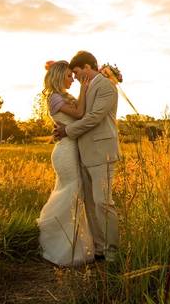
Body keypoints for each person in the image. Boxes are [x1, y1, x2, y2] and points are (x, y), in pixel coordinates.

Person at [53, 51, 120, 262]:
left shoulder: (106, 86)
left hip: (103, 153)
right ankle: (100, 249)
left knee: (103, 203)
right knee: (91, 204)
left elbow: (93, 118)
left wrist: (67, 131)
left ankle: (112, 252)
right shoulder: (88, 87)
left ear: (87, 68)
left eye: (77, 72)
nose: (75, 77)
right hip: (83, 153)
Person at [36, 60, 94, 266]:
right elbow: (79, 114)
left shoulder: (61, 96)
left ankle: (74, 244)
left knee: (73, 193)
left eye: (73, 76)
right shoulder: (54, 97)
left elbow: (80, 113)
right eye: (69, 76)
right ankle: (62, 247)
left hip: (71, 148)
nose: (73, 79)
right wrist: (85, 87)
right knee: (72, 190)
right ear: (59, 76)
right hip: (65, 151)